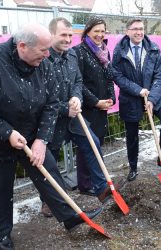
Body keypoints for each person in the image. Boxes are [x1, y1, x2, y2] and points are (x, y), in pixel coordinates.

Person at [0, 24, 101, 250]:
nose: (47, 55)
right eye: (43, 50)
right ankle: (3, 235)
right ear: (22, 46)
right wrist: (7, 133)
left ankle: (70, 216)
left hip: (29, 134)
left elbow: (52, 104)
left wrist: (41, 140)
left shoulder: (44, 65)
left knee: (49, 172)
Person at [47, 17, 118, 207]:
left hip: (74, 113)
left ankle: (102, 187)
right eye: (63, 35)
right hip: (52, 117)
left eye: (70, 35)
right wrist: (65, 108)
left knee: (92, 142)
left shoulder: (70, 56)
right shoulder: (43, 59)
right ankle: (48, 200)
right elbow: (41, 95)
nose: (68, 39)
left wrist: (77, 97)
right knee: (51, 156)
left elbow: (77, 81)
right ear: (51, 34)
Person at [112, 18, 161, 181]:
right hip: (131, 97)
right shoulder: (119, 50)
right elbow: (117, 76)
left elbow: (160, 76)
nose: (139, 32)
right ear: (127, 31)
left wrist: (152, 98)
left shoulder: (153, 49)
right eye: (135, 29)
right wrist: (138, 90)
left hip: (153, 94)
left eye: (141, 28)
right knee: (132, 134)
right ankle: (133, 167)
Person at [72, 16, 115, 193]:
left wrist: (111, 98)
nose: (99, 34)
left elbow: (108, 77)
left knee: (97, 142)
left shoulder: (105, 50)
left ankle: (95, 178)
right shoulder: (78, 52)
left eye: (102, 31)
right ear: (87, 31)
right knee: (87, 145)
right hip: (87, 107)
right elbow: (78, 83)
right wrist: (95, 102)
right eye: (96, 31)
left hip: (102, 105)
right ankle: (85, 183)